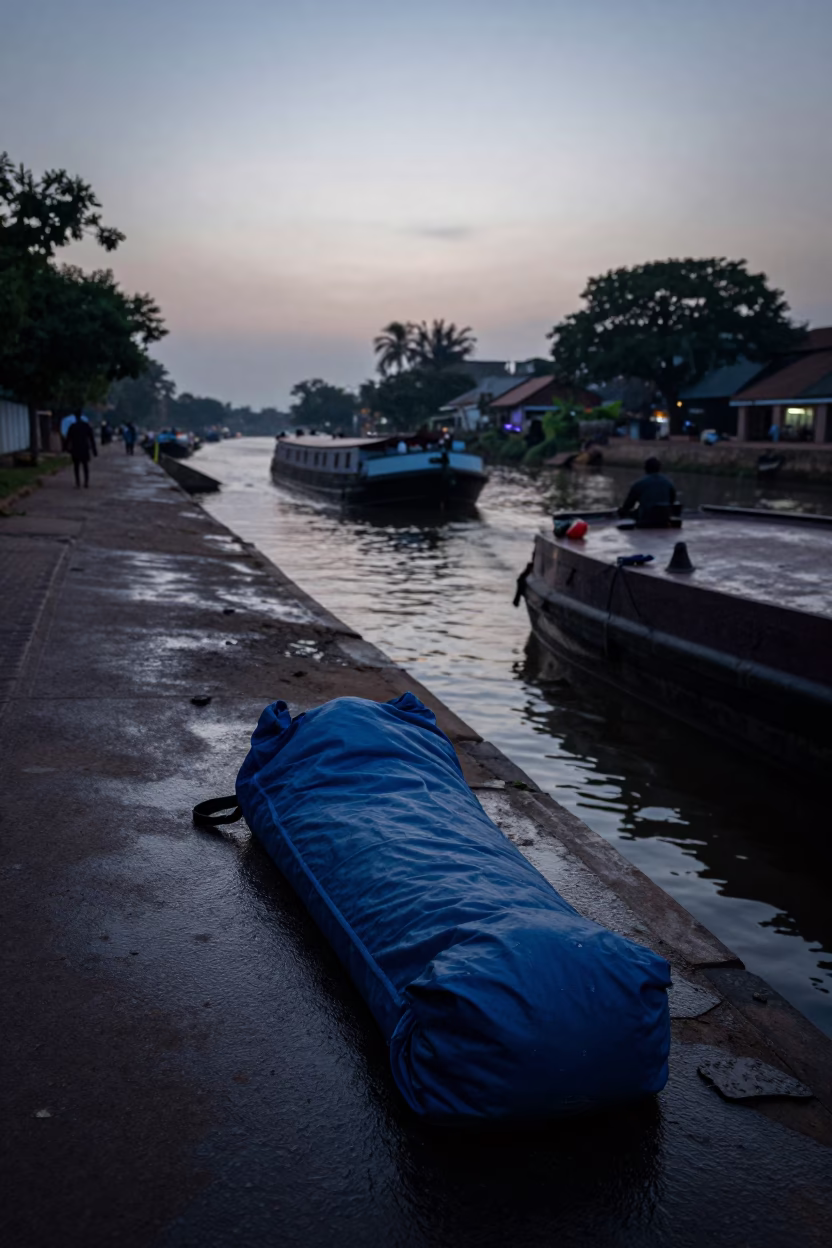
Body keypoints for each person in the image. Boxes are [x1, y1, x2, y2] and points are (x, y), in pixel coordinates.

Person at [619, 456, 676, 528]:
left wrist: (622, 511)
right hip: (664, 518)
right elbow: (672, 500)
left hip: (646, 518)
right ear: (659, 468)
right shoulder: (668, 482)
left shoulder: (639, 483)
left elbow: (628, 505)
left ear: (645, 469)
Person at [65, 413, 97, 488]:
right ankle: (86, 482)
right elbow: (91, 439)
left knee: (76, 466)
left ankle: (78, 482)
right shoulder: (86, 426)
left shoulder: (73, 426)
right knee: (85, 466)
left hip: (75, 448)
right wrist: (94, 450)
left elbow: (68, 438)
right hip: (84, 448)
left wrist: (66, 448)